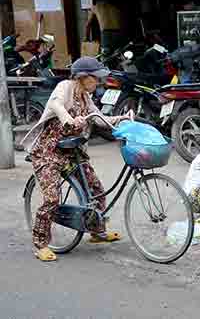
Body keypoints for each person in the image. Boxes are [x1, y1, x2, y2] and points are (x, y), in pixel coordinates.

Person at [21, 57, 133, 262]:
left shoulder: (85, 98)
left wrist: (120, 119)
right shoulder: (65, 87)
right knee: (51, 199)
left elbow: (99, 119)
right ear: (82, 77)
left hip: (73, 152)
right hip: (49, 151)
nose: (97, 82)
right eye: (94, 78)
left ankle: (97, 232)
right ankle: (41, 244)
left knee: (96, 189)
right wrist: (68, 119)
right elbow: (56, 104)